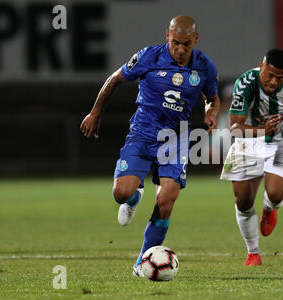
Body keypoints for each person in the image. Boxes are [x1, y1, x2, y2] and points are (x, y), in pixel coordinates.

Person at [80, 16, 220, 276]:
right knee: (120, 193)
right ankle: (134, 197)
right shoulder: (148, 57)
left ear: (195, 40)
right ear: (167, 35)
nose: (180, 49)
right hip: (143, 132)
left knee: (166, 200)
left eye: (186, 45)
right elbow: (114, 79)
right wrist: (95, 112)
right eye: (176, 43)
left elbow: (212, 98)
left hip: (176, 138)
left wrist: (211, 112)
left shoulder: (205, 66)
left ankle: (140, 264)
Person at [220, 49, 283, 266]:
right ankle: (253, 252)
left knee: (275, 192)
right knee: (243, 200)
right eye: (270, 75)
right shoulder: (246, 82)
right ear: (262, 66)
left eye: (280, 77)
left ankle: (270, 209)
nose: (274, 81)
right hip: (249, 139)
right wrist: (262, 130)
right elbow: (235, 128)